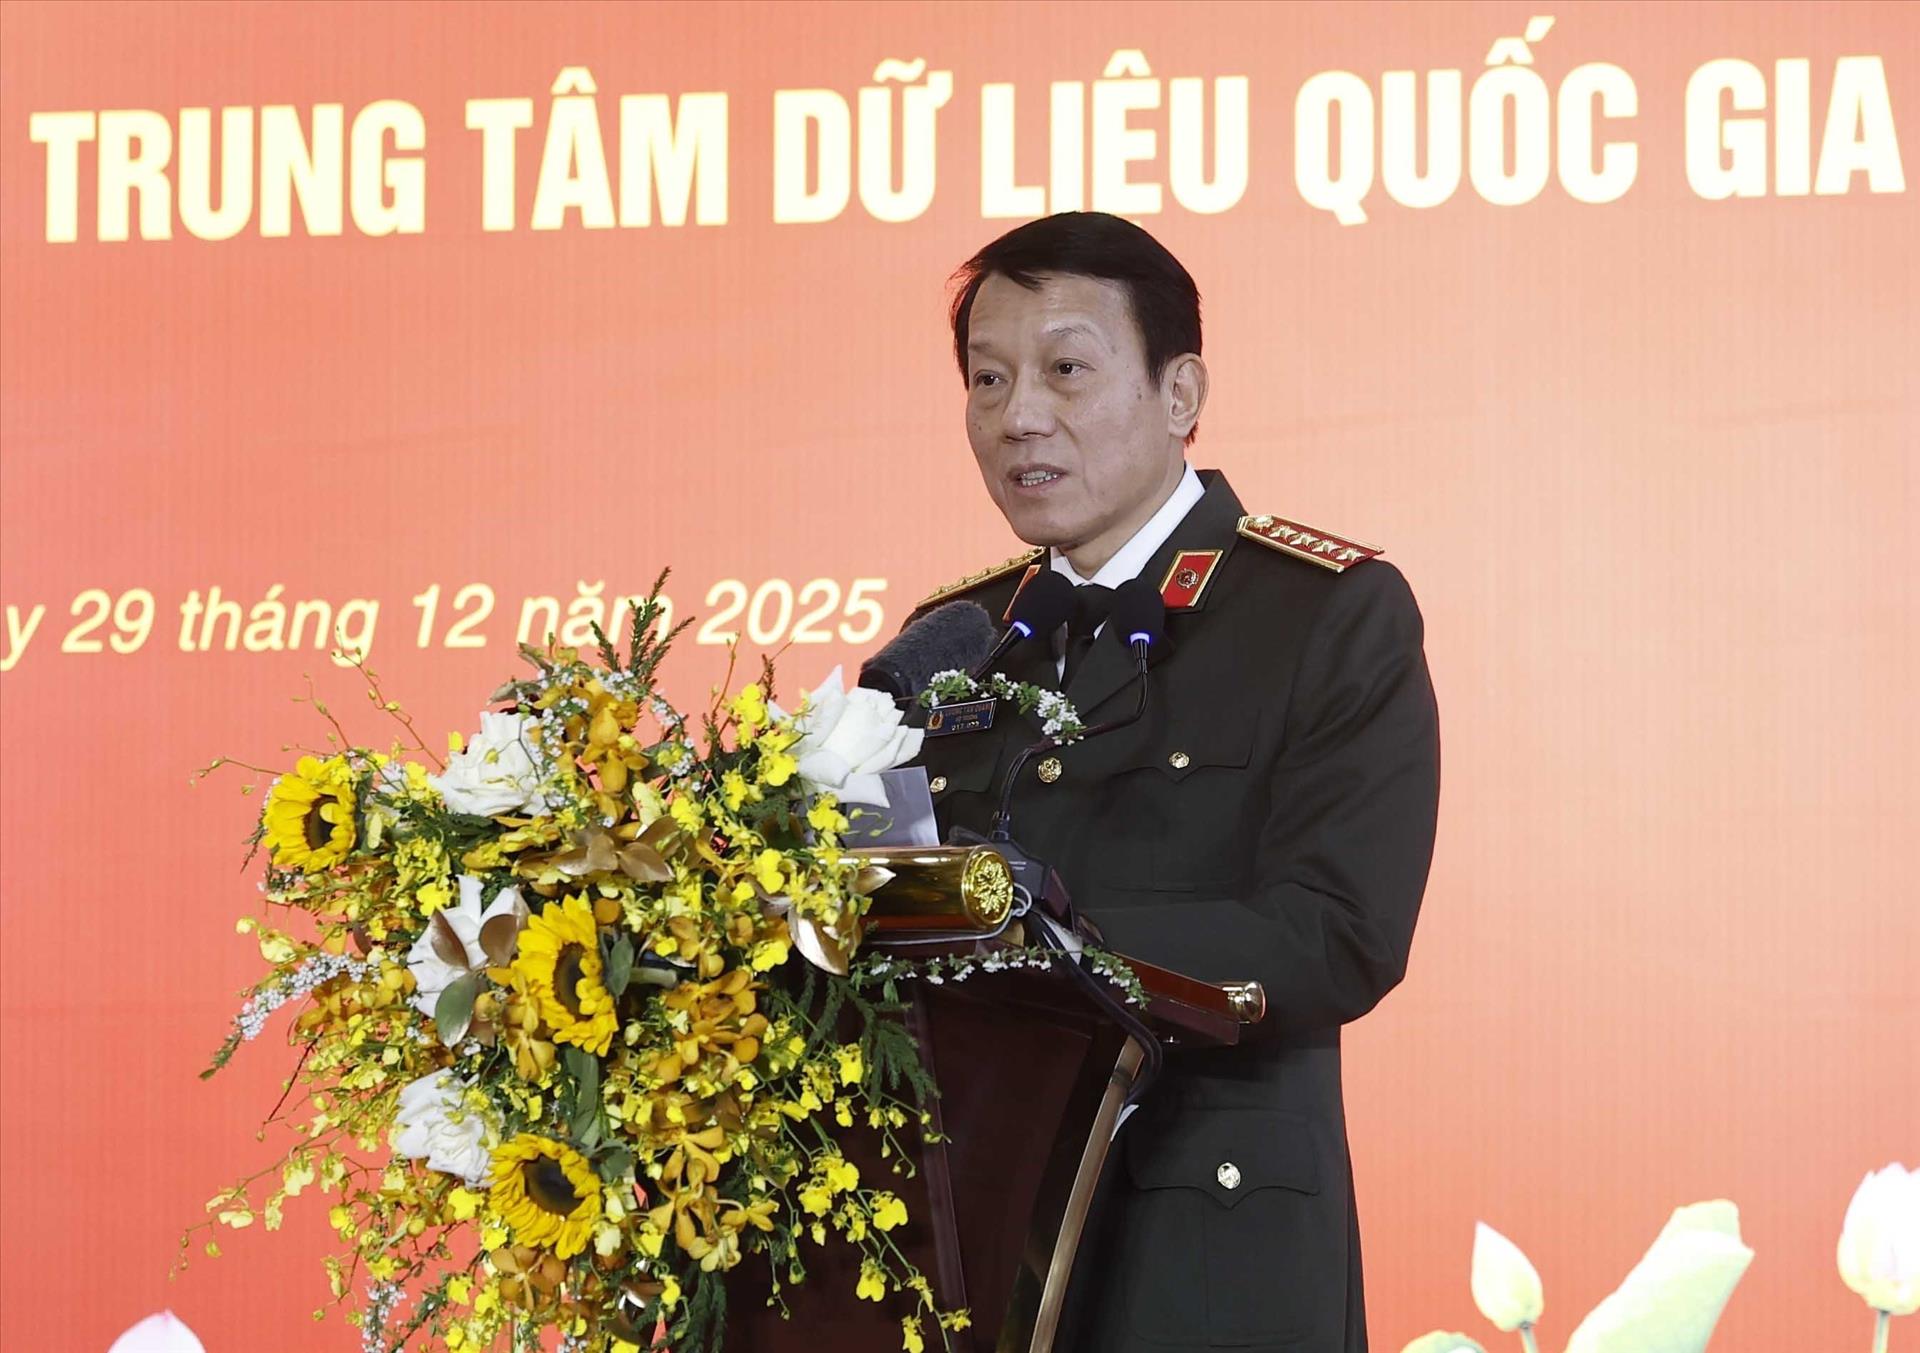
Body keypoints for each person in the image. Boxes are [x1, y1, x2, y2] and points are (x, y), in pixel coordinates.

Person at [907, 211, 1441, 1352]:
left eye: (1064, 370)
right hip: (971, 1253)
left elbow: (1339, 932)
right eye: (988, 379)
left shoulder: (1323, 614)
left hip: (1205, 1247)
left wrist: (1050, 941)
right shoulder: (955, 640)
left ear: (1179, 392)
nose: (1018, 415)